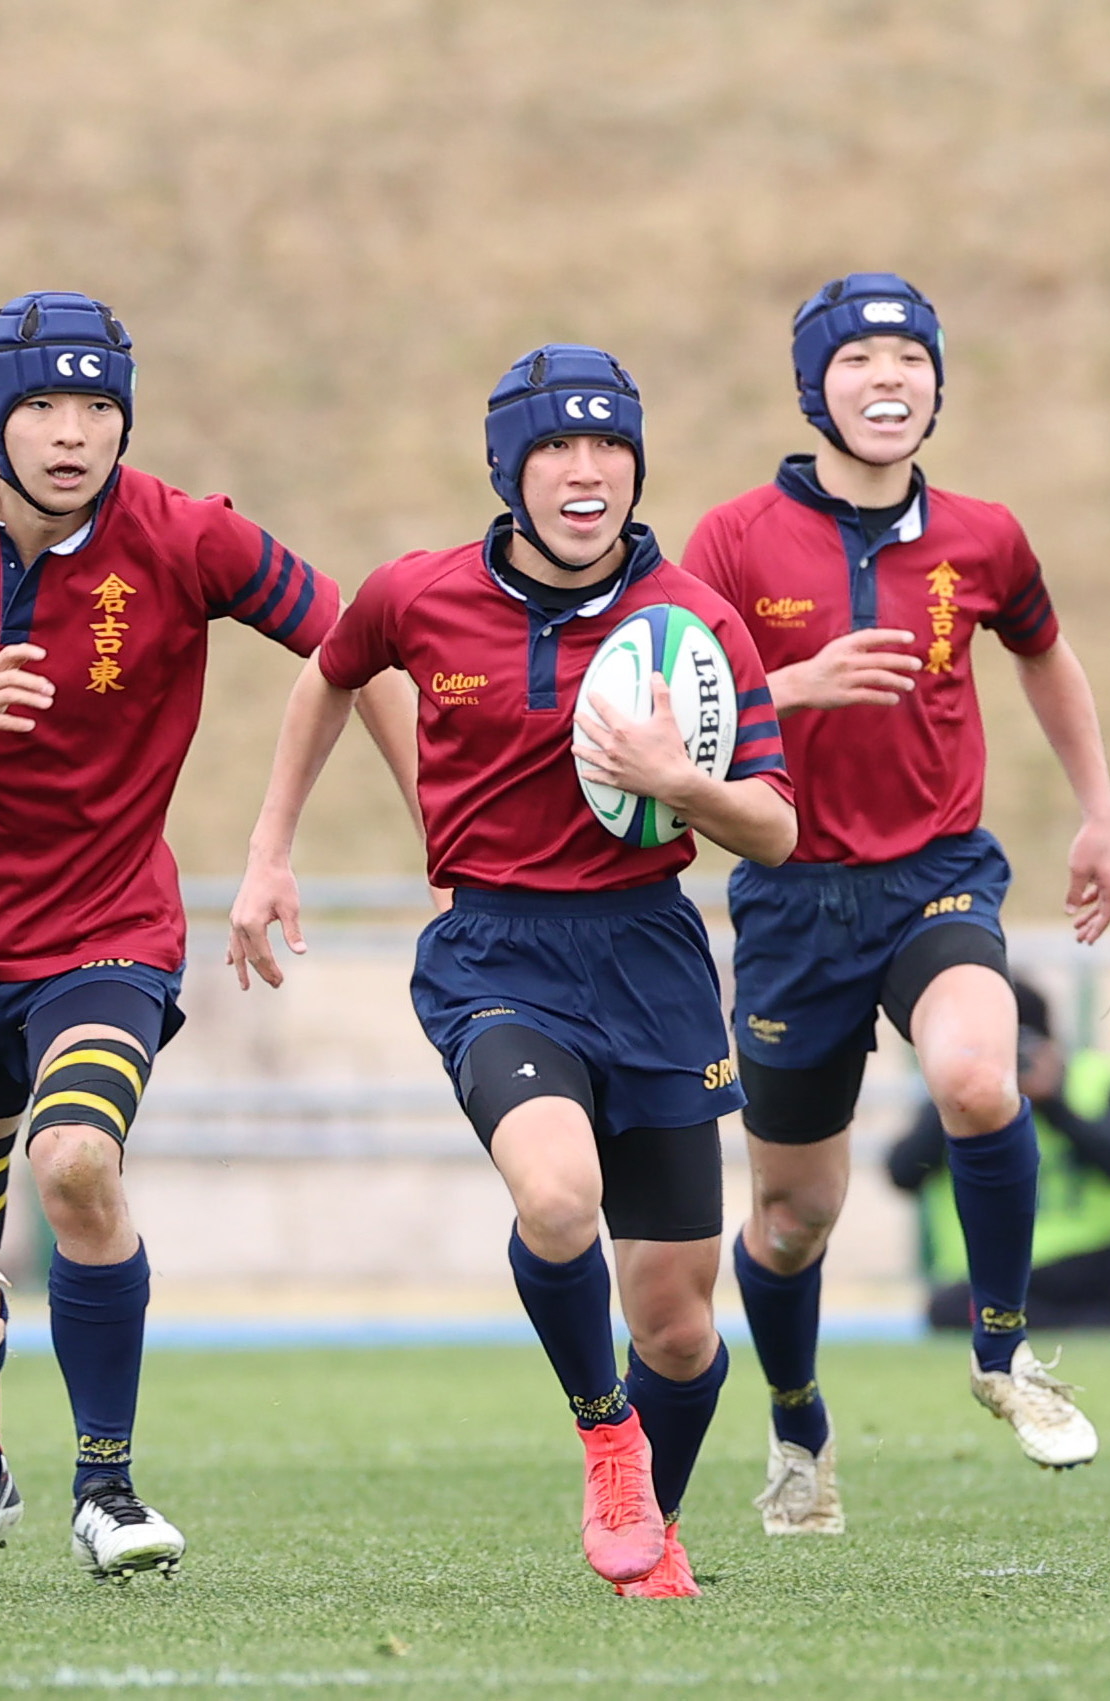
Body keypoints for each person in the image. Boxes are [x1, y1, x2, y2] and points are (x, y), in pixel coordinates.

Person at [0, 291, 413, 1593]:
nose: (73, 433)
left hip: (107, 932)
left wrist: (371, 833)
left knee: (77, 1162)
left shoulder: (183, 534)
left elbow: (359, 644)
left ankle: (107, 1484)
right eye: (43, 407)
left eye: (97, 408)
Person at [229, 344, 796, 1599]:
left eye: (607, 450)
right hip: (496, 950)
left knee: (680, 1323)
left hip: (651, 958)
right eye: (554, 450)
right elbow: (328, 674)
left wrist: (683, 786)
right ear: (509, 470)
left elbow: (773, 825)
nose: (584, 473)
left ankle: (653, 1517)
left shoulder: (696, 623)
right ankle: (605, 1437)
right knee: (554, 1198)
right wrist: (270, 851)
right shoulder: (418, 595)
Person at [681, 273, 1110, 1531]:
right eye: (859, 362)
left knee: (980, 1079)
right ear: (812, 388)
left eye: (909, 361)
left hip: (937, 878)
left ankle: (1002, 1355)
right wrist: (795, 682)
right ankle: (797, 1427)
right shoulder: (729, 539)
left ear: (937, 384)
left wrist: (1097, 815)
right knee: (787, 1221)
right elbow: (674, 707)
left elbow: (1043, 655)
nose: (888, 382)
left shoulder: (983, 536)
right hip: (788, 899)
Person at [887, 979, 1110, 1337]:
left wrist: (1055, 1105)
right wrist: (965, 1101)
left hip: (1105, 1255)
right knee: (951, 1307)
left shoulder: (1096, 1079)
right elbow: (903, 1173)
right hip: (1013, 1274)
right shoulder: (956, 1095)